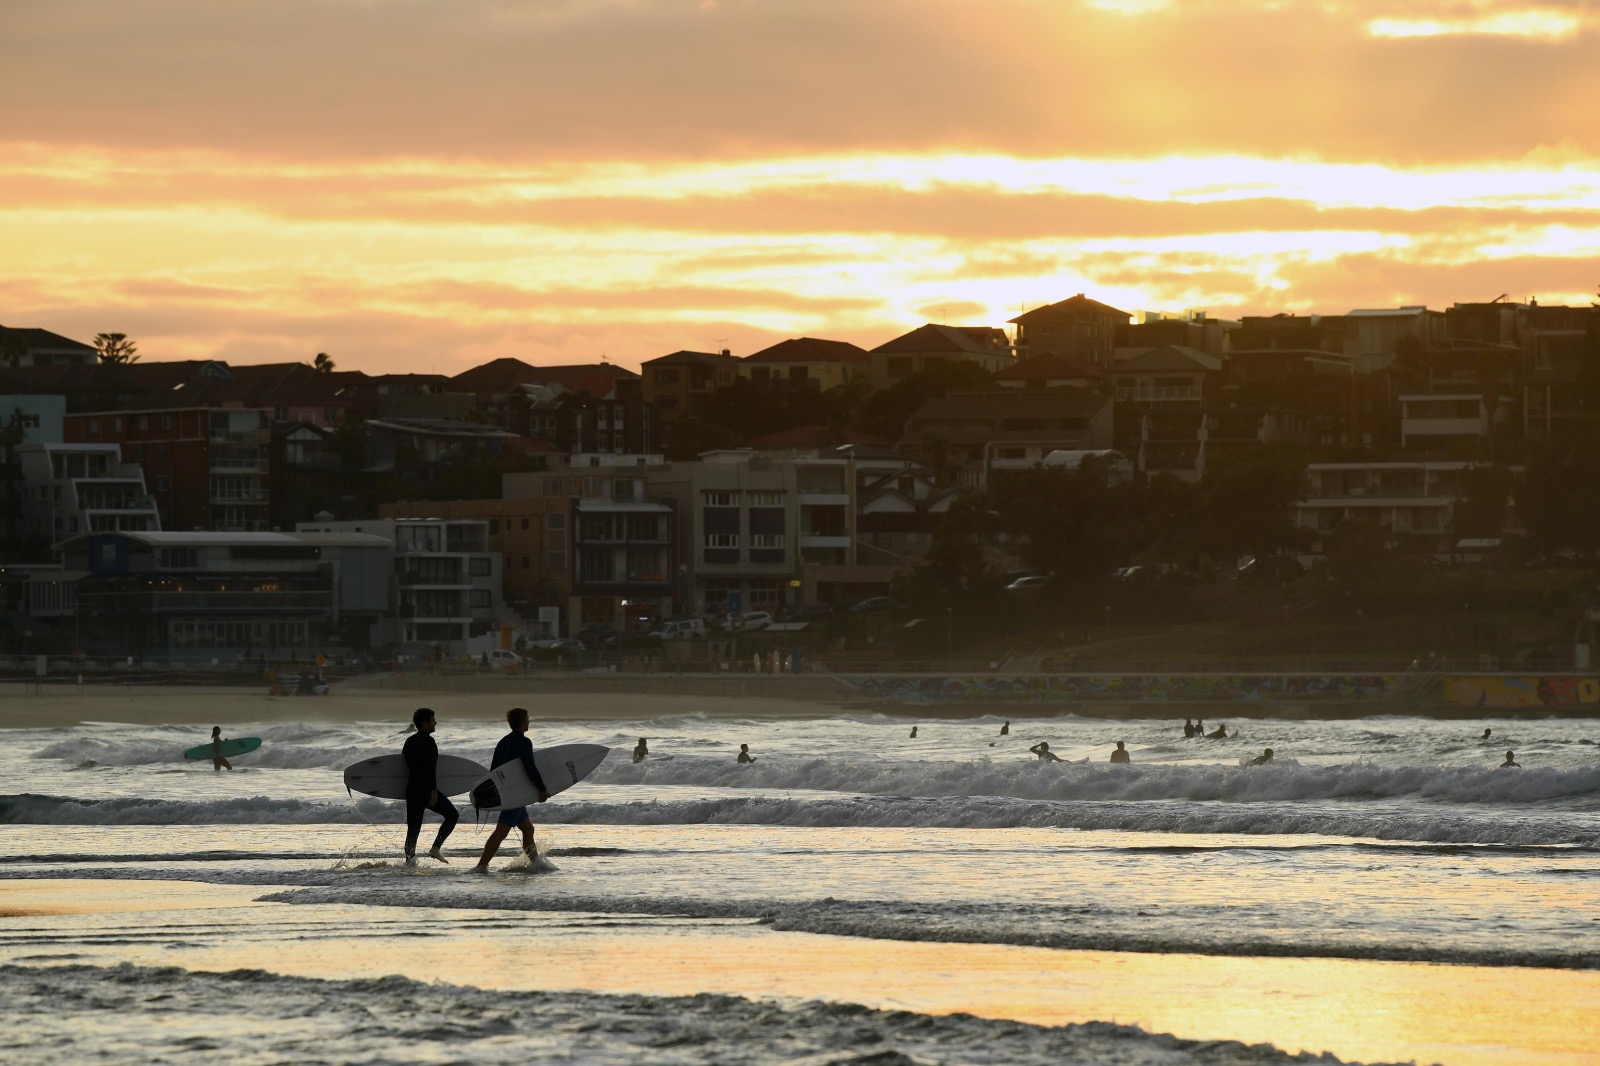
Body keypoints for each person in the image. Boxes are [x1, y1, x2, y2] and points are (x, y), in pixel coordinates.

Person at [474, 708, 550, 873]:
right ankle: (481, 866)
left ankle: (535, 863)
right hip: (515, 792)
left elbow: (493, 770)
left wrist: (498, 792)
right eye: (527, 718)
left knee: (528, 829)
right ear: (522, 722)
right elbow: (530, 767)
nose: (529, 721)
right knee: (501, 831)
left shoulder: (503, 742)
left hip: (506, 791)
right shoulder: (524, 742)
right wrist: (542, 789)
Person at [402, 707, 458, 864]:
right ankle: (435, 848)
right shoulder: (429, 741)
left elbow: (406, 765)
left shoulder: (409, 741)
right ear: (425, 722)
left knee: (413, 830)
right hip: (425, 790)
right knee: (453, 815)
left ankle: (409, 862)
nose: (436, 723)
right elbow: (429, 767)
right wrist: (433, 790)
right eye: (433, 720)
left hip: (412, 790)